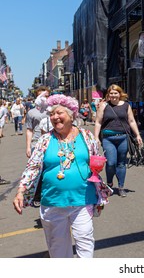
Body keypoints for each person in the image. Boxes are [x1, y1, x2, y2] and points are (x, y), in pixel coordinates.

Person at [13, 94, 100, 258]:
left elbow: (94, 160)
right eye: (51, 114)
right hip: (53, 202)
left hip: (83, 199)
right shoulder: (45, 140)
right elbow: (32, 166)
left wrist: (97, 167)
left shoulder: (87, 136)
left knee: (85, 242)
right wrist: (21, 191)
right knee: (58, 250)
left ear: (71, 114)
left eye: (59, 113)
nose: (54, 117)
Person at [94, 84, 143, 197]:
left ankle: (121, 187)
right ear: (108, 95)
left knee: (121, 164)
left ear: (120, 94)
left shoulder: (126, 106)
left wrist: (138, 135)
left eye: (115, 93)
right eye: (111, 93)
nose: (113, 95)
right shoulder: (104, 106)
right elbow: (98, 122)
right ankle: (110, 183)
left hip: (123, 138)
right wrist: (96, 137)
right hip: (108, 138)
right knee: (111, 163)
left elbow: (131, 121)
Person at [25, 86, 50, 158]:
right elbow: (29, 130)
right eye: (41, 96)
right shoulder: (31, 112)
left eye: (46, 96)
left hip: (53, 141)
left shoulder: (54, 110)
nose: (44, 98)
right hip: (37, 142)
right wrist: (28, 147)